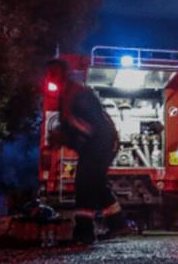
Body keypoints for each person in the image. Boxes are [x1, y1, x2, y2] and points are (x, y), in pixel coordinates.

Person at [44, 59, 127, 244]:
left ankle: (85, 231)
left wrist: (64, 136)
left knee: (84, 183)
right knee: (95, 183)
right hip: (97, 144)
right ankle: (117, 224)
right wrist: (62, 137)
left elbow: (88, 126)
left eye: (53, 73)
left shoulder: (77, 94)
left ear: (62, 74)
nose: (50, 77)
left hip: (100, 144)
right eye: (49, 74)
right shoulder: (68, 94)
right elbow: (74, 125)